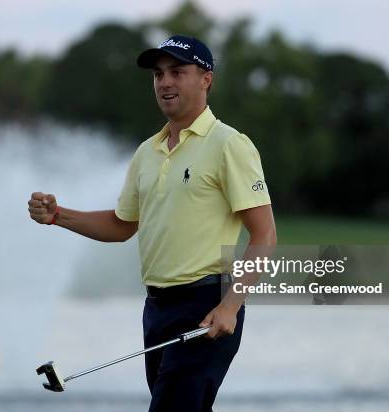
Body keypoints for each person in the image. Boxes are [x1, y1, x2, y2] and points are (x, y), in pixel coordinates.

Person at [28, 34, 277, 412]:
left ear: (206, 79)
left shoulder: (229, 144)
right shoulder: (147, 152)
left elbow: (264, 234)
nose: (165, 82)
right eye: (159, 74)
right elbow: (121, 225)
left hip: (207, 306)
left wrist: (231, 306)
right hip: (157, 309)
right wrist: (59, 216)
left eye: (177, 71)